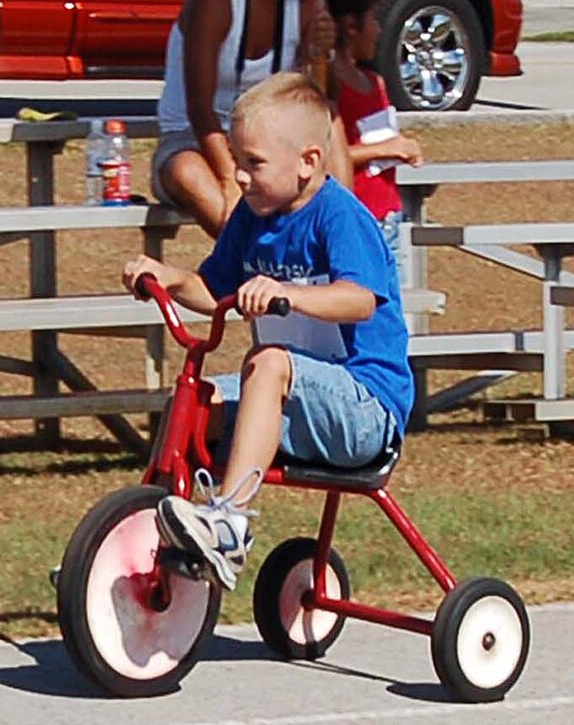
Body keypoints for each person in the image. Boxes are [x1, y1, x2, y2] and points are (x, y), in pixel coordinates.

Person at [124, 73, 412, 591]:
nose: (238, 176)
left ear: (308, 163)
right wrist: (171, 278)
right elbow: (213, 291)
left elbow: (361, 300)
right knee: (192, 403)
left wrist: (289, 293)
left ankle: (229, 523)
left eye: (253, 163)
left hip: (365, 409)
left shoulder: (340, 216)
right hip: (293, 397)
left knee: (267, 361)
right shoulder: (251, 219)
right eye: (236, 160)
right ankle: (145, 538)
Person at [152, 0, 352, 239]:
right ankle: (258, 256)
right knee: (186, 171)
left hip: (265, 137)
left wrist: (322, 54)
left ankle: (343, 231)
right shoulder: (214, 7)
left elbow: (319, 96)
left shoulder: (305, 7)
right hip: (194, 139)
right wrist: (231, 178)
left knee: (329, 117)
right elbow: (199, 108)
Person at [328, 0, 423, 279]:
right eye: (373, 20)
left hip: (388, 216)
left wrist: (399, 147)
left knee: (393, 310)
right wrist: (385, 148)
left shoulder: (374, 82)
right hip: (357, 219)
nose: (379, 30)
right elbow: (329, 154)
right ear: (350, 27)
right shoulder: (328, 83)